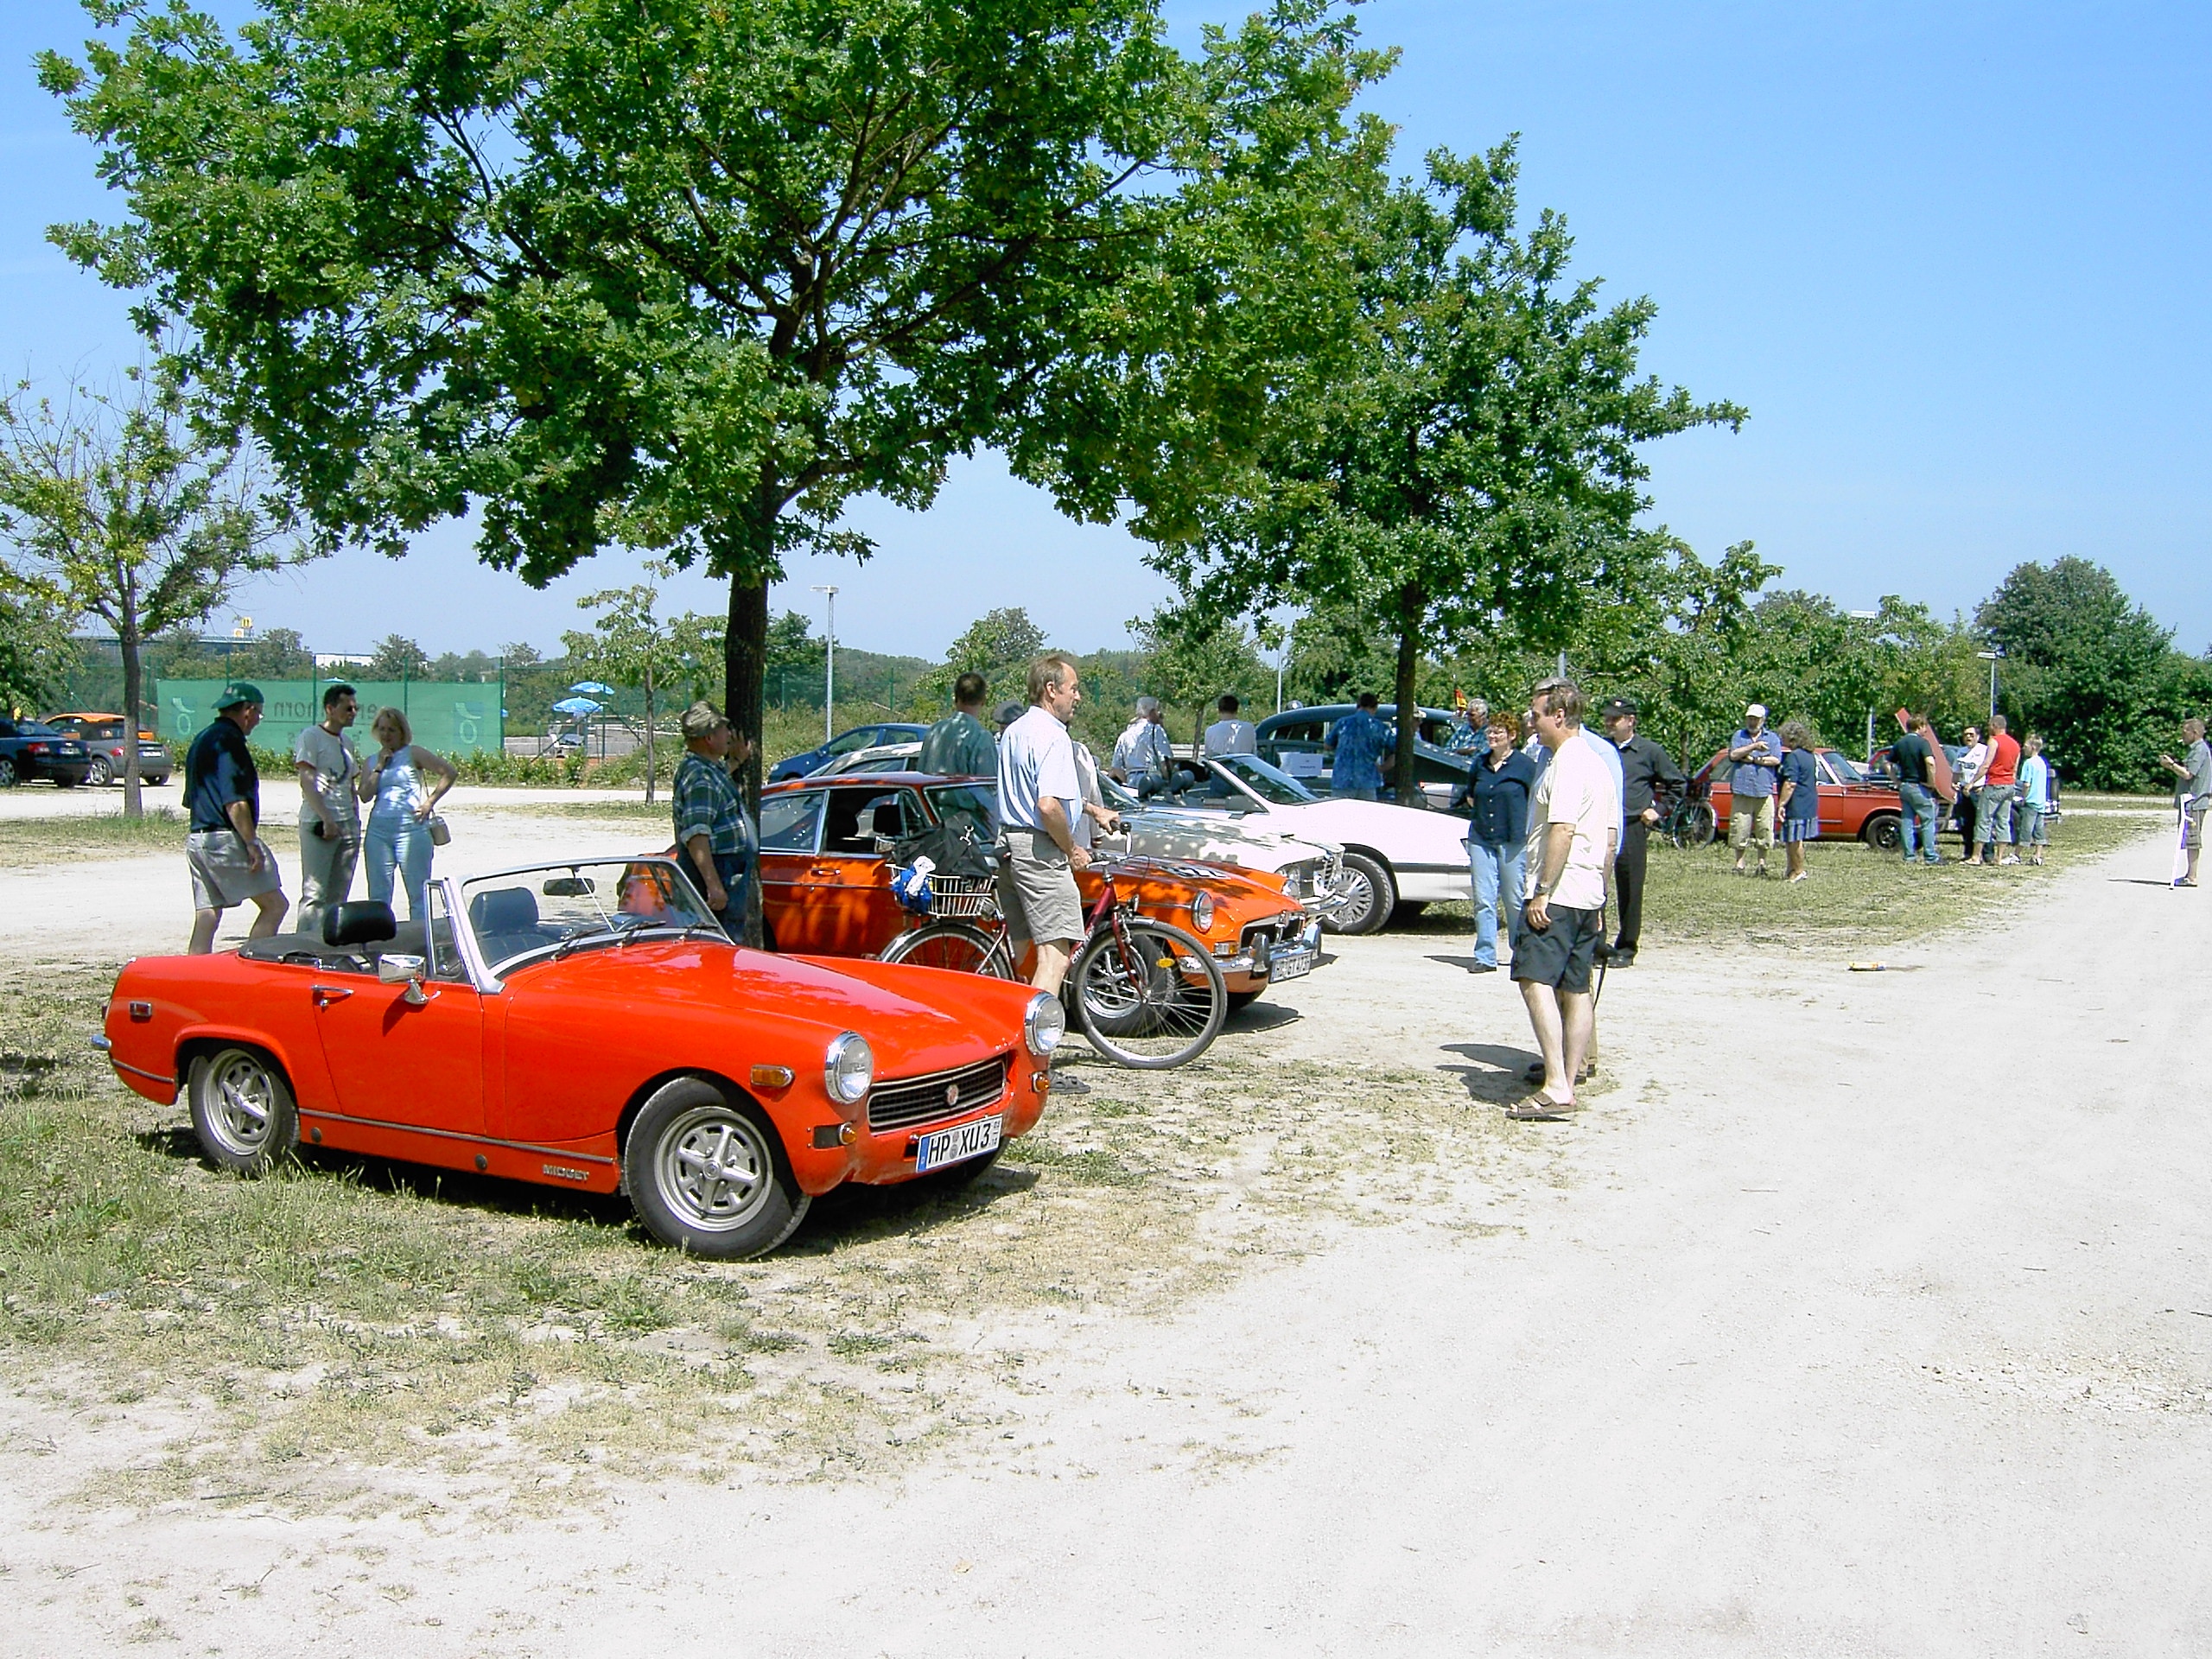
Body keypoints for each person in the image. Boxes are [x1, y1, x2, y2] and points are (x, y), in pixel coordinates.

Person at [1513, 680, 1618, 1119]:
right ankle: (1568, 1082)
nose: (1532, 722)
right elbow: (1609, 840)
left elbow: (1563, 829)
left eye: (1537, 715)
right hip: (1587, 893)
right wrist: (1601, 897)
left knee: (1533, 979)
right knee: (1575, 988)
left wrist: (1542, 891)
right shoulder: (1599, 763)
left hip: (1561, 892)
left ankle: (1557, 1084)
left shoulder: (1569, 763)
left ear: (1559, 715)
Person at [996, 654, 1090, 1003]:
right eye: (1073, 689)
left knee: (1020, 951)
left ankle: (1003, 1013)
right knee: (1055, 956)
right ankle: (1032, 1033)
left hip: (1009, 844)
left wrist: (1091, 808)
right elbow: (1048, 806)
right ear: (1052, 690)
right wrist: (1072, 849)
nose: (1077, 697)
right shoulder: (1054, 736)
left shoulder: (1015, 731)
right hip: (1040, 851)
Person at [183, 681, 288, 953]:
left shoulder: (202, 739)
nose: (258, 720)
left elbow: (190, 799)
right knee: (275, 906)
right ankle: (253, 968)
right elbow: (235, 801)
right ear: (247, 710)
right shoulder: (230, 743)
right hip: (225, 839)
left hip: (198, 839)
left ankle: (195, 973)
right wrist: (251, 843)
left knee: (208, 915)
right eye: (258, 713)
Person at [1599, 696, 1683, 964]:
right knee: (1595, 885)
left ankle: (1626, 947)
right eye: (1607, 718)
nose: (1609, 723)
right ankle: (1595, 944)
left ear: (1631, 721)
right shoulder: (1600, 749)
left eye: (1615, 718)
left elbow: (1678, 784)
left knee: (1631, 889)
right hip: (1601, 824)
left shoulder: (1649, 751)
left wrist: (1658, 809)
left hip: (1633, 825)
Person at [1452, 712, 1536, 974]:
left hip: (1513, 840)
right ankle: (1485, 955)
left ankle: (1520, 953)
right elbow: (1470, 796)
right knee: (1484, 899)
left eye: (1498, 732)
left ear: (1512, 736)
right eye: (1490, 731)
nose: (1492, 736)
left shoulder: (1525, 766)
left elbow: (1535, 800)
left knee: (1514, 900)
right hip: (1481, 838)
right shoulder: (1479, 763)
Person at [359, 706, 456, 922]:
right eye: (382, 729)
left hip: (411, 829)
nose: (386, 735)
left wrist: (429, 803)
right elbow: (364, 795)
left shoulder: (413, 754)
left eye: (392, 730)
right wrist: (379, 767)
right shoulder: (371, 761)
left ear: (402, 732)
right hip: (378, 831)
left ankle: (420, 937)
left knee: (418, 894)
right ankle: (381, 937)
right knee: (378, 895)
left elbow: (449, 772)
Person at [672, 701, 760, 933]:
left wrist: (736, 761)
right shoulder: (700, 778)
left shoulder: (705, 769)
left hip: (726, 868)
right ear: (709, 738)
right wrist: (714, 885)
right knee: (717, 939)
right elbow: (696, 835)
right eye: (724, 730)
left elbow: (717, 782)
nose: (729, 735)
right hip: (718, 870)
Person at [293, 682, 362, 938]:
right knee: (315, 892)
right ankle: (305, 944)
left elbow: (350, 784)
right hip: (320, 823)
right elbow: (306, 781)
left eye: (355, 708)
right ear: (330, 709)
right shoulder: (311, 736)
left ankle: (331, 944)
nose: (353, 713)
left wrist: (354, 819)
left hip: (347, 824)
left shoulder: (347, 742)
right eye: (347, 708)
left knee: (338, 894)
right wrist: (326, 818)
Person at [1726, 703, 1783, 876]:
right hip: (1742, 789)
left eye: (1756, 719)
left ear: (1763, 720)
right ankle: (1739, 864)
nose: (1752, 722)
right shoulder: (1739, 735)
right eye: (1750, 718)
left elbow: (1776, 759)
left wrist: (1753, 759)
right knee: (1740, 827)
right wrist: (1754, 747)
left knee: (1764, 828)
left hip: (1764, 790)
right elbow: (1733, 755)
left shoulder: (1772, 738)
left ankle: (1762, 864)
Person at [2158, 717, 2211, 887]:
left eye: (2185, 732)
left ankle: (2192, 876)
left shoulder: (2199, 750)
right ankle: (2189, 874)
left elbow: (2188, 774)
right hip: (2189, 801)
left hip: (2194, 801)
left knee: (2192, 838)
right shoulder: (2195, 750)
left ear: (2194, 733)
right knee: (2188, 838)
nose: (2182, 735)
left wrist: (2171, 765)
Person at [1886, 711, 1944, 866]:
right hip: (1920, 786)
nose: (1926, 730)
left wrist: (1896, 781)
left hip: (1905, 786)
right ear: (1920, 726)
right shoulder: (1923, 743)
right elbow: (1930, 762)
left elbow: (1887, 763)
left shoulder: (1900, 743)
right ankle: (1930, 856)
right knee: (1927, 820)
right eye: (1925, 727)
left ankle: (1909, 856)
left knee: (1907, 821)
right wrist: (1931, 782)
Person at [918, 671, 998, 778]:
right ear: (983, 701)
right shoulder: (981, 737)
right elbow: (988, 782)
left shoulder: (934, 731)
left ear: (955, 698)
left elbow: (921, 774)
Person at [1973, 714, 2021, 867]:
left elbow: (1986, 765)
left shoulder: (1994, 741)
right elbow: (2015, 769)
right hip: (2009, 785)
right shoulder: (2015, 745)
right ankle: (1999, 857)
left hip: (1995, 784)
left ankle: (1976, 856)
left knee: (1984, 819)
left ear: (1994, 725)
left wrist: (1972, 782)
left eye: (1989, 725)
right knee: (2003, 821)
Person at [1776, 721, 1821, 882]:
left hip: (1798, 803)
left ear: (1792, 738)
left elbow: (1790, 783)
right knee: (1791, 838)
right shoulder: (1810, 755)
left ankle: (1799, 870)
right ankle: (1791, 869)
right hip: (1809, 800)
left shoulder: (1794, 757)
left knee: (1795, 839)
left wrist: (1781, 804)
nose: (1782, 739)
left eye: (1784, 736)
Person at [1330, 693, 1393, 802]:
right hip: (1368, 781)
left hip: (1343, 780)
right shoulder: (1381, 728)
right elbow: (1396, 751)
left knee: (1341, 811)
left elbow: (1327, 745)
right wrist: (1383, 768)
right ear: (1375, 707)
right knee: (1366, 811)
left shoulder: (1343, 723)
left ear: (1357, 705)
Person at [1110, 696, 1175, 798]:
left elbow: (1116, 768)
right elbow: (1165, 760)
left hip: (1131, 781)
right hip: (1152, 780)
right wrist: (1169, 780)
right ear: (1153, 712)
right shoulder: (1155, 730)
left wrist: (1128, 780)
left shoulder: (1125, 735)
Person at [2016, 732, 2052, 867]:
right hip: (2040, 801)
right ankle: (2038, 855)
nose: (2023, 748)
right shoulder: (2042, 763)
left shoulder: (2028, 763)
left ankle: (2017, 854)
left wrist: (2023, 797)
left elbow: (2026, 784)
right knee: (2039, 829)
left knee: (2025, 828)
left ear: (2033, 747)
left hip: (2031, 801)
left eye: (2026, 746)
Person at [1952, 723, 1986, 857]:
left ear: (1978, 736)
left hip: (1978, 790)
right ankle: (1968, 852)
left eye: (1971, 735)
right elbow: (1956, 770)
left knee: (1981, 823)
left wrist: (1984, 785)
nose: (1968, 737)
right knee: (1965, 823)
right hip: (1964, 790)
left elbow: (1988, 769)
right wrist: (1954, 783)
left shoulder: (1984, 751)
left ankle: (1987, 854)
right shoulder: (1961, 751)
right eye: (1966, 735)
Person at [1202, 694, 1257, 760]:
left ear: (1219, 710)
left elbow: (1208, 756)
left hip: (1220, 765)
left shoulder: (1210, 731)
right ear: (1236, 710)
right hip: (1243, 764)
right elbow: (1253, 753)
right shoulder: (1249, 728)